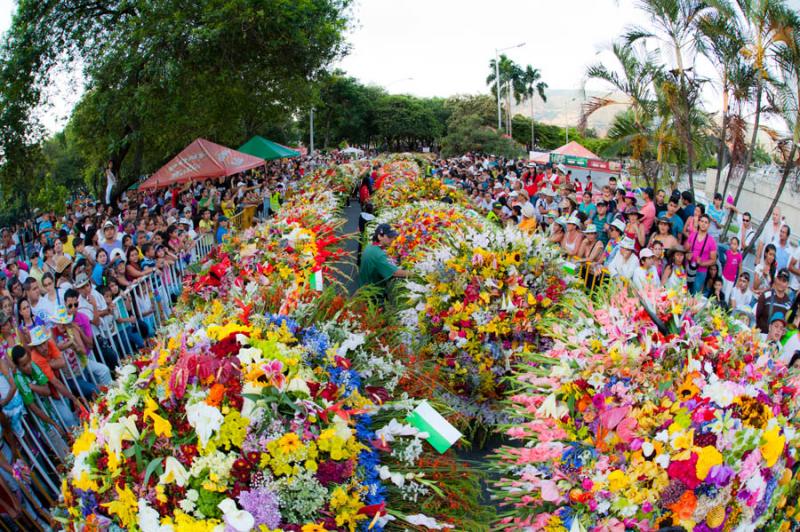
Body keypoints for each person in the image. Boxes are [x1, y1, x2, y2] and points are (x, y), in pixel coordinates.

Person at [359, 224, 411, 293]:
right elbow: (395, 273)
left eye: (393, 236)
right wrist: (414, 274)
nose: (393, 239)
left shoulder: (371, 246)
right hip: (372, 292)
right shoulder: (378, 255)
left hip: (364, 286)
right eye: (389, 237)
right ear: (380, 236)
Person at [686, 214, 717, 295]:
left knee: (694, 294)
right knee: (683, 290)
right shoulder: (692, 235)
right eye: (702, 221)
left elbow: (713, 260)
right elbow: (685, 249)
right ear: (699, 222)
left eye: (706, 222)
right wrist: (687, 256)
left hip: (701, 271)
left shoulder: (711, 241)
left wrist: (702, 263)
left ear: (709, 225)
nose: (703, 224)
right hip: (689, 267)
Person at [755, 268, 792, 334]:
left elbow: (785, 324)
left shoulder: (788, 303)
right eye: (779, 279)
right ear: (775, 279)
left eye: (784, 281)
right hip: (760, 335)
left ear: (787, 284)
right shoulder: (766, 295)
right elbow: (757, 316)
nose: (781, 283)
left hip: (774, 340)